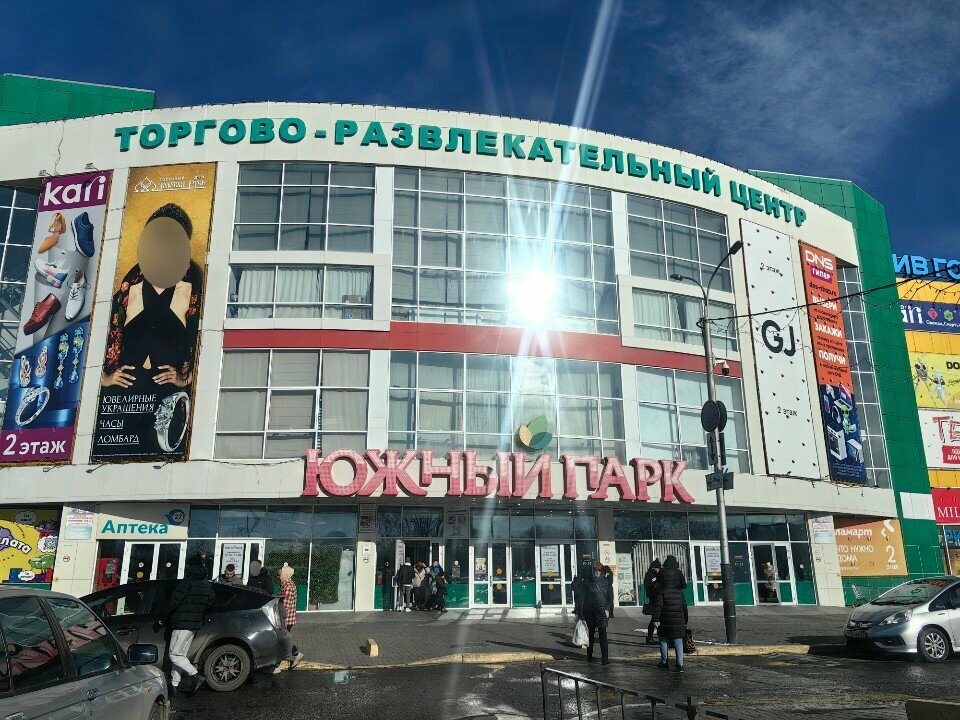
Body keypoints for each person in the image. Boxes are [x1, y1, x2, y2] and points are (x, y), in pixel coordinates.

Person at [97, 203, 204, 457]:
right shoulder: (128, 289)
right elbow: (97, 337)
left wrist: (186, 379)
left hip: (167, 401)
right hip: (121, 403)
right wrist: (103, 378)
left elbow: (204, 342)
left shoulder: (192, 287)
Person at [164, 555, 215, 696]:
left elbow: (173, 602)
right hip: (194, 625)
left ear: (189, 566)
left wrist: (163, 617)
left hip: (181, 623)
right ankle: (174, 685)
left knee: (174, 655)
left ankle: (195, 675)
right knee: (180, 655)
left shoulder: (187, 583)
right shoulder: (207, 584)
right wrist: (198, 610)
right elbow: (211, 601)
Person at [652, 555, 688, 672]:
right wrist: (685, 620)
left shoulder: (661, 576)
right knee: (678, 640)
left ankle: (664, 662)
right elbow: (684, 606)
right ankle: (679, 664)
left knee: (663, 639)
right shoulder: (679, 589)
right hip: (678, 617)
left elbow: (658, 606)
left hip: (665, 616)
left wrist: (655, 619)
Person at [273, 563, 305, 673]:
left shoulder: (287, 587)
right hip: (286, 618)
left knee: (281, 642)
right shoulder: (287, 584)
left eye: (279, 575)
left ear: (285, 575)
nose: (278, 577)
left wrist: (278, 617)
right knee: (284, 641)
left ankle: (277, 665)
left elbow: (284, 606)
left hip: (285, 619)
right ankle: (296, 654)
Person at [581, 562, 613, 665]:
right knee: (591, 634)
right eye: (595, 570)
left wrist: (608, 609)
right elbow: (582, 597)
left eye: (598, 571)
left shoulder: (606, 581)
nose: (597, 573)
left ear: (602, 571)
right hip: (590, 612)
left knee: (603, 634)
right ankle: (589, 657)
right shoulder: (588, 581)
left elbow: (610, 597)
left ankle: (605, 659)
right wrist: (581, 611)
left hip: (602, 611)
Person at [643, 559, 662, 644]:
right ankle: (651, 637)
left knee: (655, 618)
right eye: (658, 568)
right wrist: (655, 584)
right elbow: (648, 587)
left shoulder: (655, 574)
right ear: (654, 568)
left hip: (656, 598)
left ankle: (650, 637)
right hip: (654, 599)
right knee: (655, 618)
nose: (659, 570)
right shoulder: (650, 575)